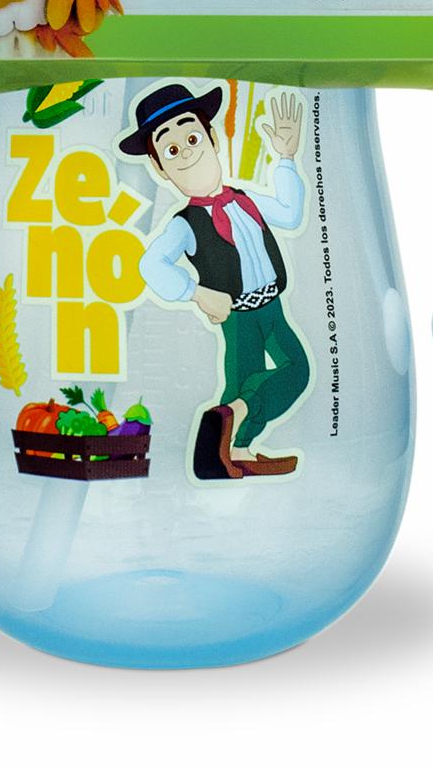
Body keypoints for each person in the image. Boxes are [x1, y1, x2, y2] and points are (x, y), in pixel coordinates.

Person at [120, 82, 310, 480]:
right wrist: (196, 293)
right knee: (242, 381)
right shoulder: (185, 223)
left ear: (212, 138)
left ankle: (234, 439)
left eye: (192, 138)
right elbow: (151, 264)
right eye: (172, 150)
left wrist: (286, 158)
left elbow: (290, 214)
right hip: (238, 316)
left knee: (295, 370)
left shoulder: (246, 200)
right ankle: (226, 446)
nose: (187, 152)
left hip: (272, 307)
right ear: (159, 168)